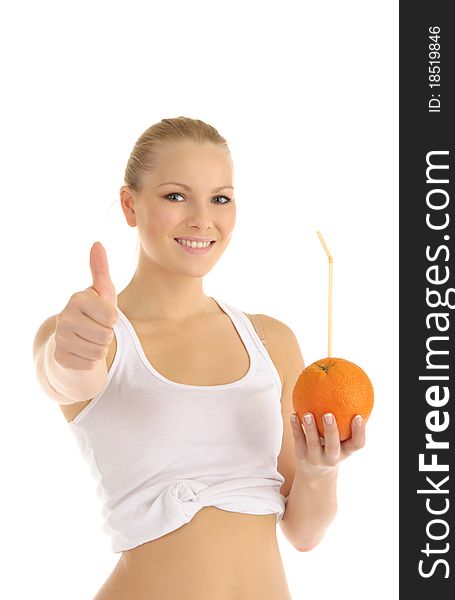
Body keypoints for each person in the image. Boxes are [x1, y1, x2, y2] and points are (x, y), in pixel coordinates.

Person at [32, 116, 366, 600]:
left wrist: (322, 468)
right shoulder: (98, 336)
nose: (202, 219)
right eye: (175, 196)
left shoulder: (271, 340)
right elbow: (64, 377)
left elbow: (303, 534)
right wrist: (70, 356)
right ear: (130, 205)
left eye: (220, 198)